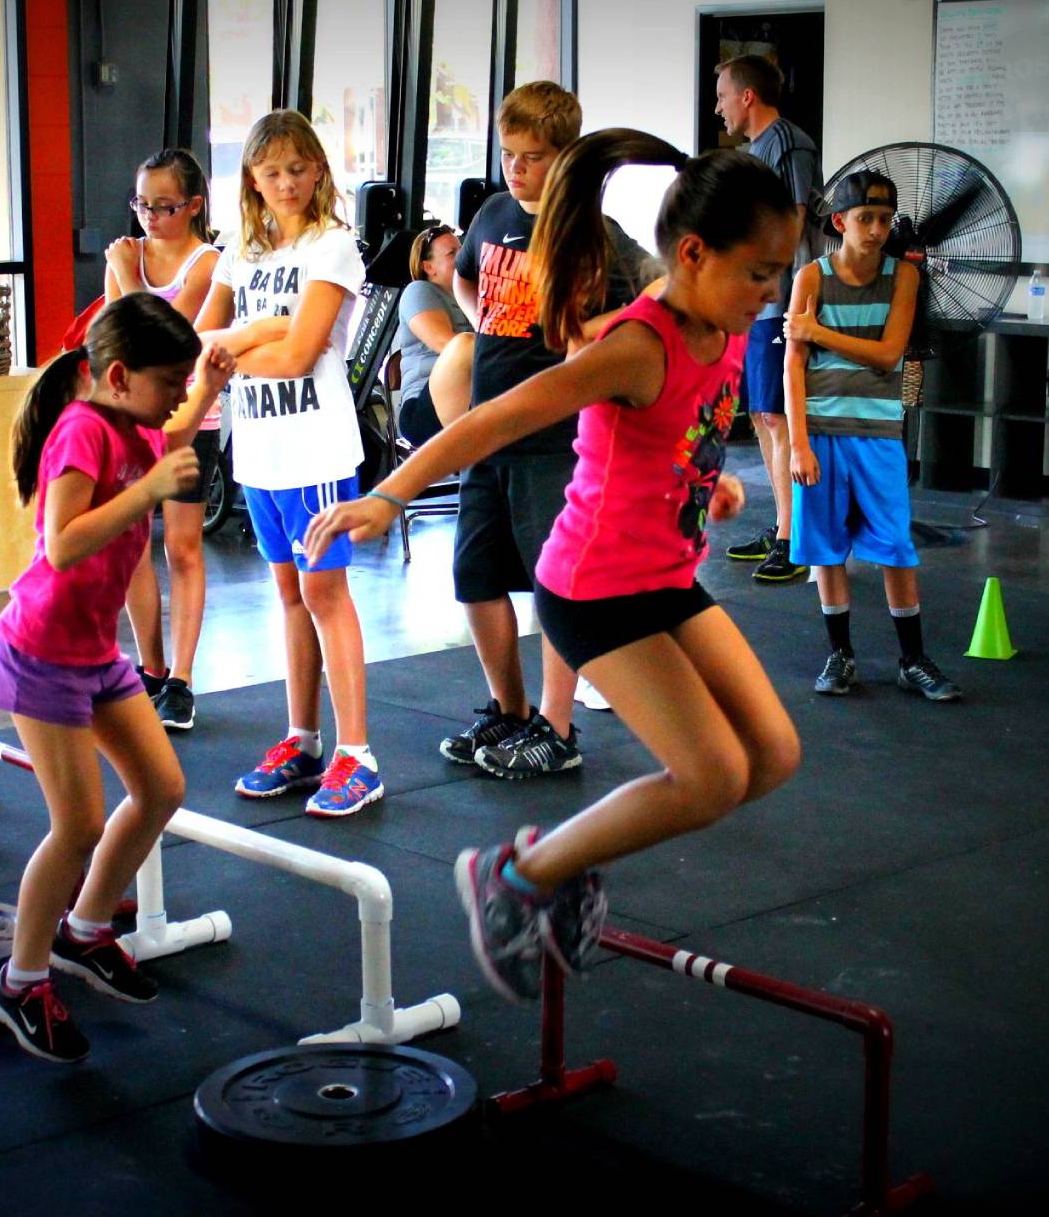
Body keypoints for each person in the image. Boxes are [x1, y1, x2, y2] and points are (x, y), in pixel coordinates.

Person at [305, 130, 803, 1000]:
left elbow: (673, 434)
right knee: (712, 776)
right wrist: (387, 495)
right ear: (694, 254)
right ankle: (517, 874)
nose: (772, 293)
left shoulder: (720, 326)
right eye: (760, 273)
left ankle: (553, 864)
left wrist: (706, 481)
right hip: (596, 589)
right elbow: (494, 419)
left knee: (771, 754)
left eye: (780, 274)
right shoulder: (637, 344)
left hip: (665, 575)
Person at [0, 294, 234, 1062]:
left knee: (161, 790)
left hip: (94, 652)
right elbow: (62, 544)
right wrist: (147, 494)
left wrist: (208, 388)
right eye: (170, 382)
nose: (177, 395)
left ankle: (85, 930)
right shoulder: (82, 429)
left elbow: (169, 439)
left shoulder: (134, 424)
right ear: (119, 376)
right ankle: (20, 982)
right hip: (40, 652)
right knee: (78, 826)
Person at [444, 81, 649, 780]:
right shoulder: (493, 213)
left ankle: (556, 731)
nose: (516, 168)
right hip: (487, 429)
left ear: (566, 158)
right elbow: (465, 277)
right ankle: (510, 712)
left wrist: (583, 335)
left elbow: (649, 307)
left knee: (556, 586)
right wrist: (479, 315)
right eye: (508, 153)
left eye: (532, 157)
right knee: (474, 577)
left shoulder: (593, 233)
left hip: (555, 439)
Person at [193, 109, 384, 818]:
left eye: (298, 169)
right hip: (259, 452)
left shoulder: (332, 246)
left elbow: (301, 355)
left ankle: (357, 755)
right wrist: (263, 329)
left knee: (325, 594)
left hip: (316, 452)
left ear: (318, 171)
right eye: (272, 171)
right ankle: (303, 739)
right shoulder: (239, 249)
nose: (286, 183)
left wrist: (237, 346)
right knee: (290, 596)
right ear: (251, 178)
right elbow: (198, 340)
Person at [784, 172, 961, 704]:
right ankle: (840, 654)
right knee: (825, 548)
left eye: (885, 219)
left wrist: (817, 332)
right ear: (840, 222)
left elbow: (888, 354)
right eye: (866, 218)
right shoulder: (811, 278)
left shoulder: (903, 278)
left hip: (879, 432)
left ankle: (913, 659)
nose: (878, 229)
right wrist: (798, 444)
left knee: (896, 546)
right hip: (820, 430)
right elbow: (793, 366)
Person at [67, 149, 220, 731]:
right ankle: (151, 668)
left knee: (181, 546)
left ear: (194, 206)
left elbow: (167, 341)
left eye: (163, 206)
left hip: (189, 415)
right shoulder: (125, 257)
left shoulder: (207, 263)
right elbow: (117, 341)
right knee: (131, 546)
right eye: (142, 205)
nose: (150, 217)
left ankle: (182, 677)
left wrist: (128, 276)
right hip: (131, 417)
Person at [713, 55, 821, 585]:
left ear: (747, 96)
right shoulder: (751, 153)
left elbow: (795, 220)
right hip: (756, 302)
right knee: (760, 415)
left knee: (778, 417)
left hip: (783, 300)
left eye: (723, 97)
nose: (719, 108)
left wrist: (768, 281)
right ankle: (782, 524)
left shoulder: (789, 143)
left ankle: (793, 538)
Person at [393, 222, 474, 447]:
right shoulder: (419, 290)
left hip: (467, 398)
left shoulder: (471, 295)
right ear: (429, 267)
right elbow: (448, 346)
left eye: (461, 250)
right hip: (422, 410)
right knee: (465, 345)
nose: (462, 256)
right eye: (452, 253)